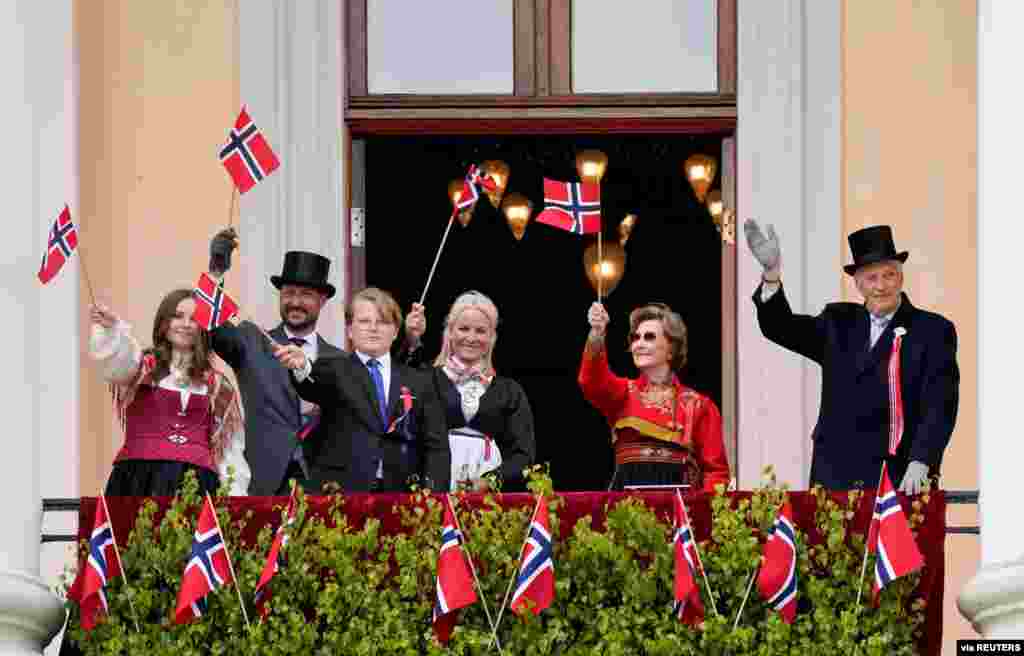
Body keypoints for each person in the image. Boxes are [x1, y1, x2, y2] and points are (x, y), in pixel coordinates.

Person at [744, 220, 959, 492]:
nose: (881, 286)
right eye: (871, 278)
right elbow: (781, 327)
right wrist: (771, 274)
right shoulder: (838, 322)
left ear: (901, 278)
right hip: (836, 474)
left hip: (898, 475)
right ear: (858, 284)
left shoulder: (932, 330)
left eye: (889, 275)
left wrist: (922, 459)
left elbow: (941, 403)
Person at [206, 228, 344, 495]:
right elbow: (213, 331)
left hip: (323, 486)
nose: (295, 302)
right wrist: (215, 274)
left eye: (305, 295)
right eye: (288, 293)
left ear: (322, 300)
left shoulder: (340, 360)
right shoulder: (251, 340)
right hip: (265, 482)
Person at [275, 287, 450, 492]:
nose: (373, 328)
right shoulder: (332, 369)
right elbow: (311, 385)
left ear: (395, 332)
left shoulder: (420, 381)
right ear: (350, 330)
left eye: (383, 322)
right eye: (364, 321)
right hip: (340, 495)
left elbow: (436, 447)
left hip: (403, 497)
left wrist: (434, 497)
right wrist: (302, 366)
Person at [88, 289, 249, 496]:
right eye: (178, 316)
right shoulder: (142, 367)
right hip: (138, 481)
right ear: (164, 324)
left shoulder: (218, 386)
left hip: (197, 487)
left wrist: (235, 501)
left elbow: (230, 452)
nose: (185, 324)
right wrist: (113, 329)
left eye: (194, 318)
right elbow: (119, 366)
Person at [579, 301, 730, 492]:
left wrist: (704, 515)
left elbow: (715, 473)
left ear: (671, 349)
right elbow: (591, 381)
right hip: (625, 511)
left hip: (679, 513)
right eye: (635, 338)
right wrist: (597, 334)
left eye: (649, 337)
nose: (639, 344)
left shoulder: (699, 405)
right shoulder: (623, 393)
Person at [402, 291, 535, 492]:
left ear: (491, 337)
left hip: (489, 498)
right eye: (463, 329)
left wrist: (491, 480)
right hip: (432, 488)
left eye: (480, 331)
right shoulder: (427, 378)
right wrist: (411, 340)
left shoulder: (509, 391)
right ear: (450, 332)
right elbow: (397, 385)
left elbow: (523, 455)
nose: (471, 338)